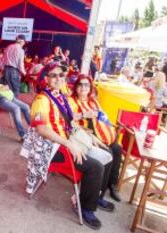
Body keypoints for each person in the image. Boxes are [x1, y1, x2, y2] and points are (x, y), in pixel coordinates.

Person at [30, 62, 114, 230]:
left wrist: (89, 136)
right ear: (46, 78)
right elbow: (41, 128)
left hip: (69, 140)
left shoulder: (60, 95)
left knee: (108, 153)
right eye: (53, 75)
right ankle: (85, 207)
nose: (58, 78)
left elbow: (71, 121)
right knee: (95, 167)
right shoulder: (41, 100)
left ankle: (94, 195)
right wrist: (69, 144)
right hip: (54, 148)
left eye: (61, 75)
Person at [69, 75, 122, 202]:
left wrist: (110, 129)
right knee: (108, 153)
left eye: (86, 85)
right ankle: (98, 192)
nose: (83, 87)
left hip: (101, 134)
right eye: (80, 84)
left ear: (90, 87)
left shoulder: (93, 101)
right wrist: (83, 115)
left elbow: (103, 118)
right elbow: (68, 118)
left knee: (117, 149)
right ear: (76, 87)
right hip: (85, 136)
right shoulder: (72, 101)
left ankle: (112, 184)